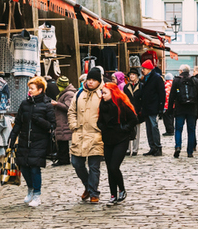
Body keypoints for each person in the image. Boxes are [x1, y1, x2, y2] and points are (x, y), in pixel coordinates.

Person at [9, 76, 56, 207]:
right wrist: (12, 137)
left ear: (40, 89)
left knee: (35, 168)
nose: (30, 91)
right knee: (24, 167)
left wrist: (39, 120)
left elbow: (52, 125)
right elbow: (18, 123)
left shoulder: (47, 105)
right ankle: (30, 188)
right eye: (29, 88)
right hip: (24, 140)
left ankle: (37, 194)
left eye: (32, 88)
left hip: (39, 141)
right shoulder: (25, 104)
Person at [68, 66, 104, 203]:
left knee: (94, 166)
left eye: (94, 80)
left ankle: (94, 192)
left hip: (96, 134)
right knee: (77, 163)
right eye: (89, 79)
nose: (90, 82)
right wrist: (73, 125)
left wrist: (101, 127)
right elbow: (71, 111)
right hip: (79, 134)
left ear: (99, 81)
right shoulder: (79, 94)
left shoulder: (102, 94)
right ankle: (88, 187)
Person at [97, 83, 138, 205]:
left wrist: (123, 128)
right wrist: (102, 127)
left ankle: (122, 189)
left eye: (105, 93)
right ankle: (113, 195)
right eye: (102, 93)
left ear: (112, 93)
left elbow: (133, 119)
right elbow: (99, 121)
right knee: (110, 168)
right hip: (108, 138)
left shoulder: (121, 103)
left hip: (121, 138)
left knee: (114, 166)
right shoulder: (103, 104)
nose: (102, 95)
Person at [167, 64, 198, 158]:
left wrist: (170, 109)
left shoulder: (176, 80)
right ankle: (190, 151)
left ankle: (178, 146)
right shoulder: (194, 80)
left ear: (181, 71)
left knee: (178, 129)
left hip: (180, 108)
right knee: (191, 130)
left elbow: (172, 96)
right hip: (192, 109)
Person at [139, 59, 166, 156]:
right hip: (147, 107)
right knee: (149, 128)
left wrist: (161, 107)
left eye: (144, 68)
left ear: (149, 69)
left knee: (154, 127)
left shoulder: (156, 78)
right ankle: (152, 147)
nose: (143, 70)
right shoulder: (146, 78)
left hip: (153, 107)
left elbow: (161, 93)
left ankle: (158, 147)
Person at [51, 76, 74, 166]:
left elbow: (69, 107)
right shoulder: (64, 93)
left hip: (64, 120)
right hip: (61, 120)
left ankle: (64, 159)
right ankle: (62, 158)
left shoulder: (69, 94)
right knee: (61, 140)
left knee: (63, 140)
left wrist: (56, 104)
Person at [123, 67, 142, 155]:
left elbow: (143, 99)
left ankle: (135, 149)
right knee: (127, 130)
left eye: (133, 74)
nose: (132, 76)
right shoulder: (126, 87)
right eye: (130, 75)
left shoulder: (141, 86)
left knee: (137, 131)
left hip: (137, 111)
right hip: (128, 111)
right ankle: (127, 149)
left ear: (137, 76)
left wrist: (141, 110)